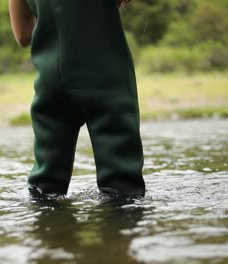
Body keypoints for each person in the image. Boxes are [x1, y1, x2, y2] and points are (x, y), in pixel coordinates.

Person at [9, 0, 145, 199]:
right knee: (122, 191)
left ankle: (49, 227)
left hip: (51, 83)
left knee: (45, 189)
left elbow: (23, 35)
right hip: (106, 79)